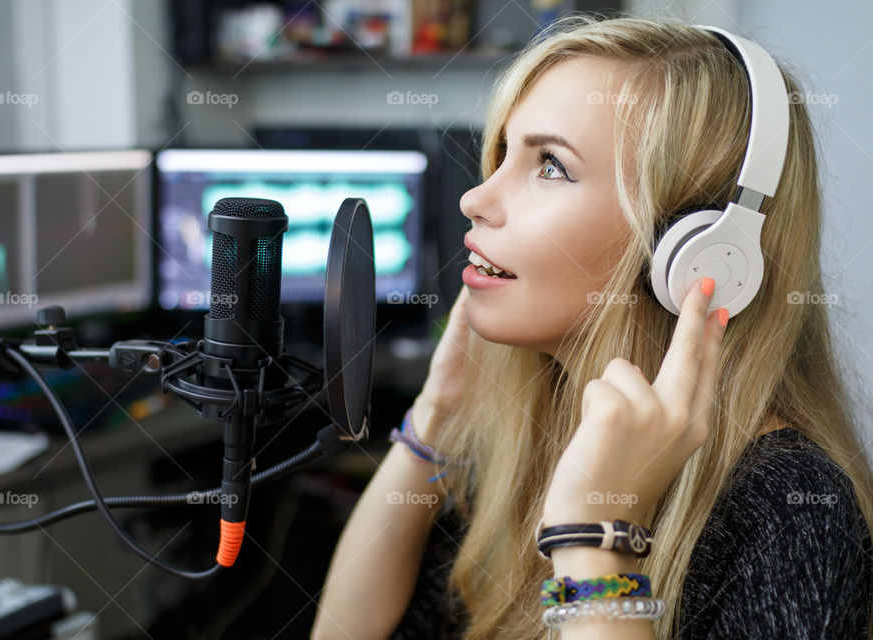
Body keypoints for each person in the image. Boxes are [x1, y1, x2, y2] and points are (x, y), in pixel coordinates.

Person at [311, 14, 873, 640]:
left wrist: (596, 538)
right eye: (501, 154)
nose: (476, 199)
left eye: (550, 165)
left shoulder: (789, 508)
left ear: (696, 251)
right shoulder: (516, 444)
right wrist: (433, 423)